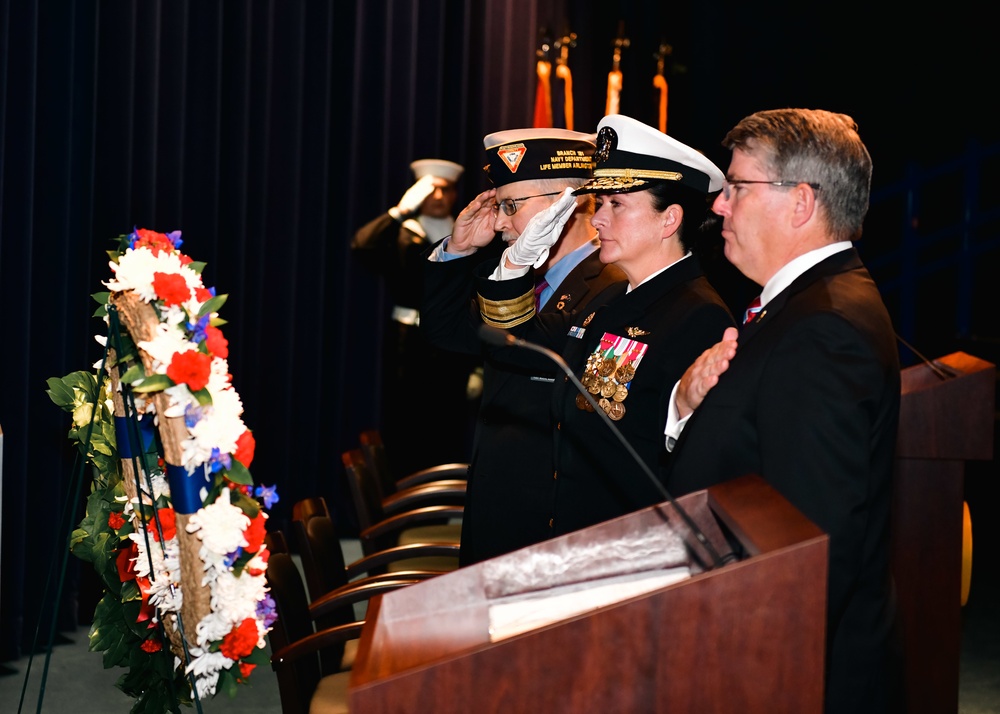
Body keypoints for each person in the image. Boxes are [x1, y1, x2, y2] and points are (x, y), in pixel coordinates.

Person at [662, 108, 904, 713]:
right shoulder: (799, 305)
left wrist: (741, 668)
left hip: (783, 669)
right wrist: (683, 408)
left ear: (800, 203)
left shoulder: (824, 327)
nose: (719, 205)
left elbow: (814, 547)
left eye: (737, 188)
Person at [468, 114, 735, 541]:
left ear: (669, 220)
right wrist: (517, 264)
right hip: (573, 541)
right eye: (602, 202)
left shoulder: (698, 315)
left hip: (627, 547)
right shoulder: (612, 299)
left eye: (617, 204)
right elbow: (512, 349)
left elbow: (690, 463)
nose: (596, 219)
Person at [421, 128, 626, 565]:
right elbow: (444, 333)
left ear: (568, 202)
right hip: (496, 500)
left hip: (548, 522)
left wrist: (511, 271)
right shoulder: (525, 281)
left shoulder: (611, 285)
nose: (498, 223)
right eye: (497, 206)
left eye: (511, 206)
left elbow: (523, 352)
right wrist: (456, 252)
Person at [351, 159, 480, 478]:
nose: (438, 196)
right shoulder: (402, 232)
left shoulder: (469, 233)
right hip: (410, 341)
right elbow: (362, 244)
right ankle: (406, 502)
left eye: (445, 189)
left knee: (448, 421)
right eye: (430, 189)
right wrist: (399, 212)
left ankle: (443, 503)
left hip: (453, 338)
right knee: (407, 422)